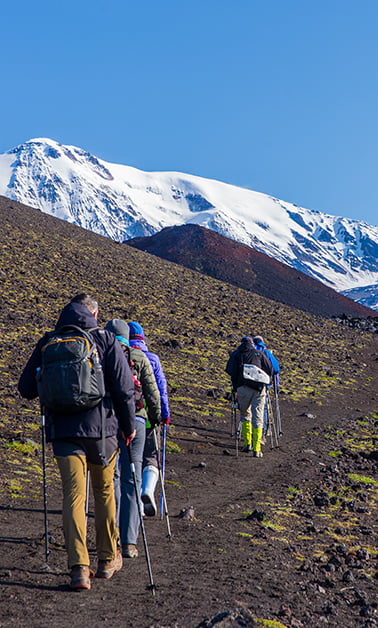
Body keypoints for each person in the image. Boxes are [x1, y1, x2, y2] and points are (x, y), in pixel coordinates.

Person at [18, 294, 136, 591]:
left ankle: (79, 569)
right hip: (102, 432)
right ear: (93, 313)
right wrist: (127, 426)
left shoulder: (48, 341)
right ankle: (108, 559)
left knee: (73, 496)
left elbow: (26, 388)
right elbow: (123, 388)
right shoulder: (106, 339)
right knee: (105, 492)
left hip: (63, 432)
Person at [104, 319, 161, 559]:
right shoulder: (139, 357)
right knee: (132, 478)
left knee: (112, 476)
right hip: (136, 420)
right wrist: (156, 417)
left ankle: (111, 535)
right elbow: (151, 390)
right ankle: (129, 542)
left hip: (108, 421)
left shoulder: (100, 354)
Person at [128, 321, 170, 517]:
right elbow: (160, 389)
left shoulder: (118, 356)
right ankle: (147, 490)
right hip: (148, 415)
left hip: (125, 415)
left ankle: (132, 500)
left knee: (128, 458)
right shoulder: (152, 358)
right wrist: (164, 414)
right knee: (151, 456)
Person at [225, 335, 273, 457]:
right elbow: (270, 369)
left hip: (242, 388)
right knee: (258, 416)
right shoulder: (259, 354)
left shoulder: (236, 354)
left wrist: (235, 389)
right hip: (258, 389)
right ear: (252, 343)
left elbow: (231, 372)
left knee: (245, 414)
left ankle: (247, 443)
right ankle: (257, 449)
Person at [252, 335, 280, 443]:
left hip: (247, 384)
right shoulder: (266, 352)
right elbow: (275, 369)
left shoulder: (247, 352)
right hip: (262, 385)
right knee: (262, 409)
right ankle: (262, 434)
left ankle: (250, 435)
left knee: (249, 410)